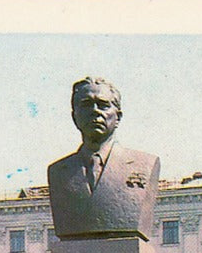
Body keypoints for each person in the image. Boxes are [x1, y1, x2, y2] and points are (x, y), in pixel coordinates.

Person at [47, 77, 160, 240]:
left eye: (103, 105)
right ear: (74, 117)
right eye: (86, 105)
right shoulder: (58, 171)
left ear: (118, 117)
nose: (95, 111)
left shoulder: (145, 164)